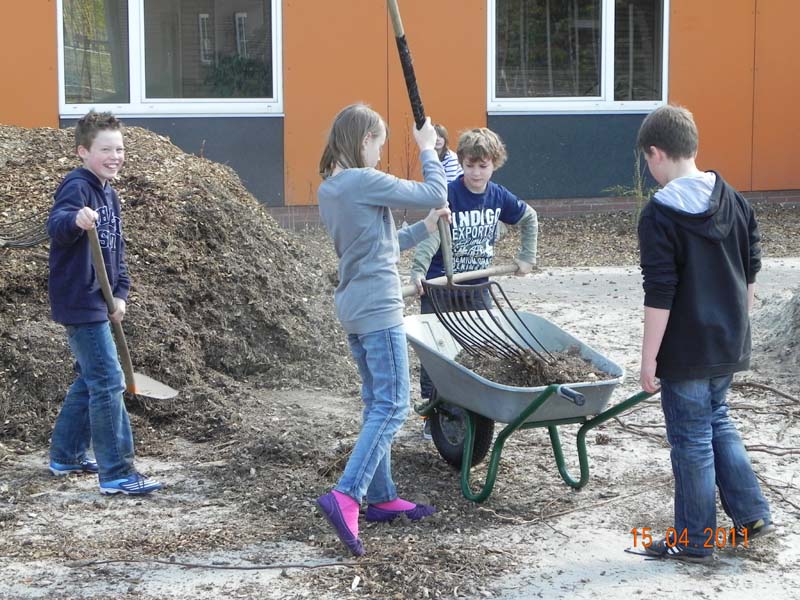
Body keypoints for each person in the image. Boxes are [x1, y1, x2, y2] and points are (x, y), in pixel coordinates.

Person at [636, 105, 773, 563]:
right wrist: (738, 324)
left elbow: (660, 293)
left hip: (686, 350)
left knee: (692, 438)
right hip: (729, 342)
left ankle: (695, 540)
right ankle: (752, 513)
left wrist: (648, 359)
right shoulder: (734, 198)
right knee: (718, 421)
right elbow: (751, 271)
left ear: (656, 154)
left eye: (647, 162)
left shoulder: (659, 215)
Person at [315, 103, 449, 556]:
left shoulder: (333, 188)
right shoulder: (363, 180)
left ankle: (382, 497)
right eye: (379, 144)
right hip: (378, 307)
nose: (379, 154)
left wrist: (426, 228)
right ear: (364, 139)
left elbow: (380, 245)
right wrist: (428, 148)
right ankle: (347, 494)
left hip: (355, 305)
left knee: (376, 402)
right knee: (394, 405)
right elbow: (434, 189)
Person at [47, 110, 162, 496]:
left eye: (120, 148)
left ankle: (65, 455)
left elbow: (117, 252)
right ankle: (116, 472)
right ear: (83, 151)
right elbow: (57, 224)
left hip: (101, 299)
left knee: (91, 377)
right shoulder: (77, 186)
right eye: (106, 149)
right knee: (109, 381)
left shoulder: (109, 192)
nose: (115, 155)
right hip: (80, 299)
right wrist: (75, 220)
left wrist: (121, 294)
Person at [410, 127, 539, 440]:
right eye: (470, 165)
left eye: (483, 166)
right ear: (461, 162)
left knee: (478, 352)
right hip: (440, 288)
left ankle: (472, 411)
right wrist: (418, 271)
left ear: (494, 164)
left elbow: (529, 218)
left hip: (477, 289)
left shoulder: (498, 196)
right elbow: (431, 236)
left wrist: (526, 256)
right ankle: (434, 415)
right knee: (436, 354)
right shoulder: (450, 194)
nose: (476, 173)